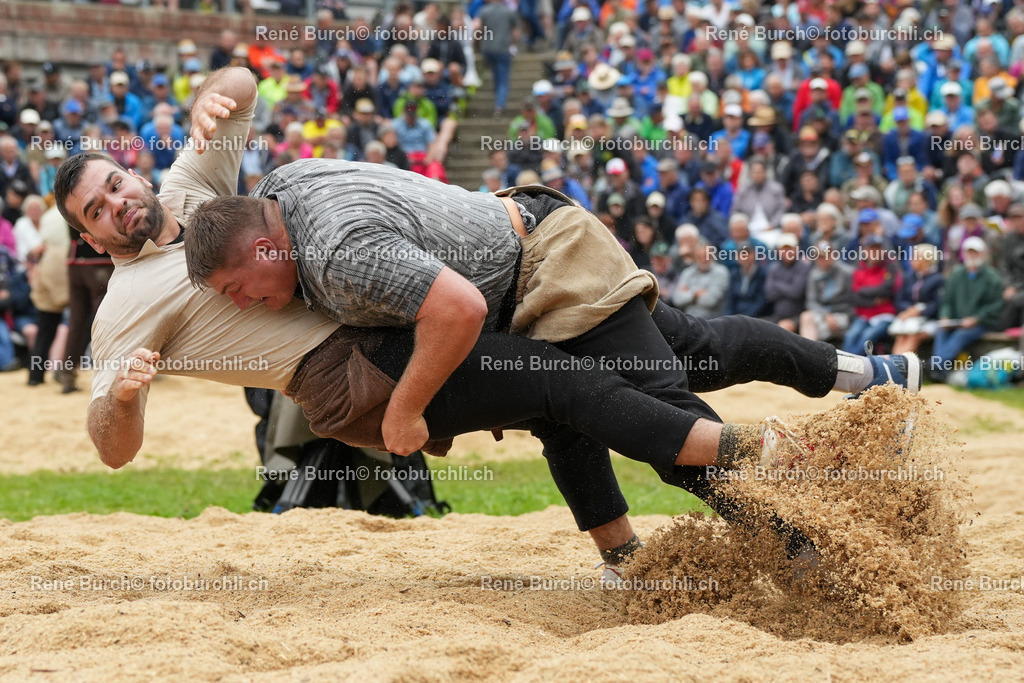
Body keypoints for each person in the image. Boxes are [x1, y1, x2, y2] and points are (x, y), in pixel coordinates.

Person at [930, 237, 1004, 382]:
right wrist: (945, 316)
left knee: (960, 335)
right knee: (942, 330)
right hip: (956, 321)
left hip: (982, 323)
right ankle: (939, 370)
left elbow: (996, 305)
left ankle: (936, 368)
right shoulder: (956, 274)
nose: (972, 256)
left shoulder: (992, 277)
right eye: (969, 252)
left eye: (975, 253)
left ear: (983, 254)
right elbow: (947, 302)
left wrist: (977, 319)